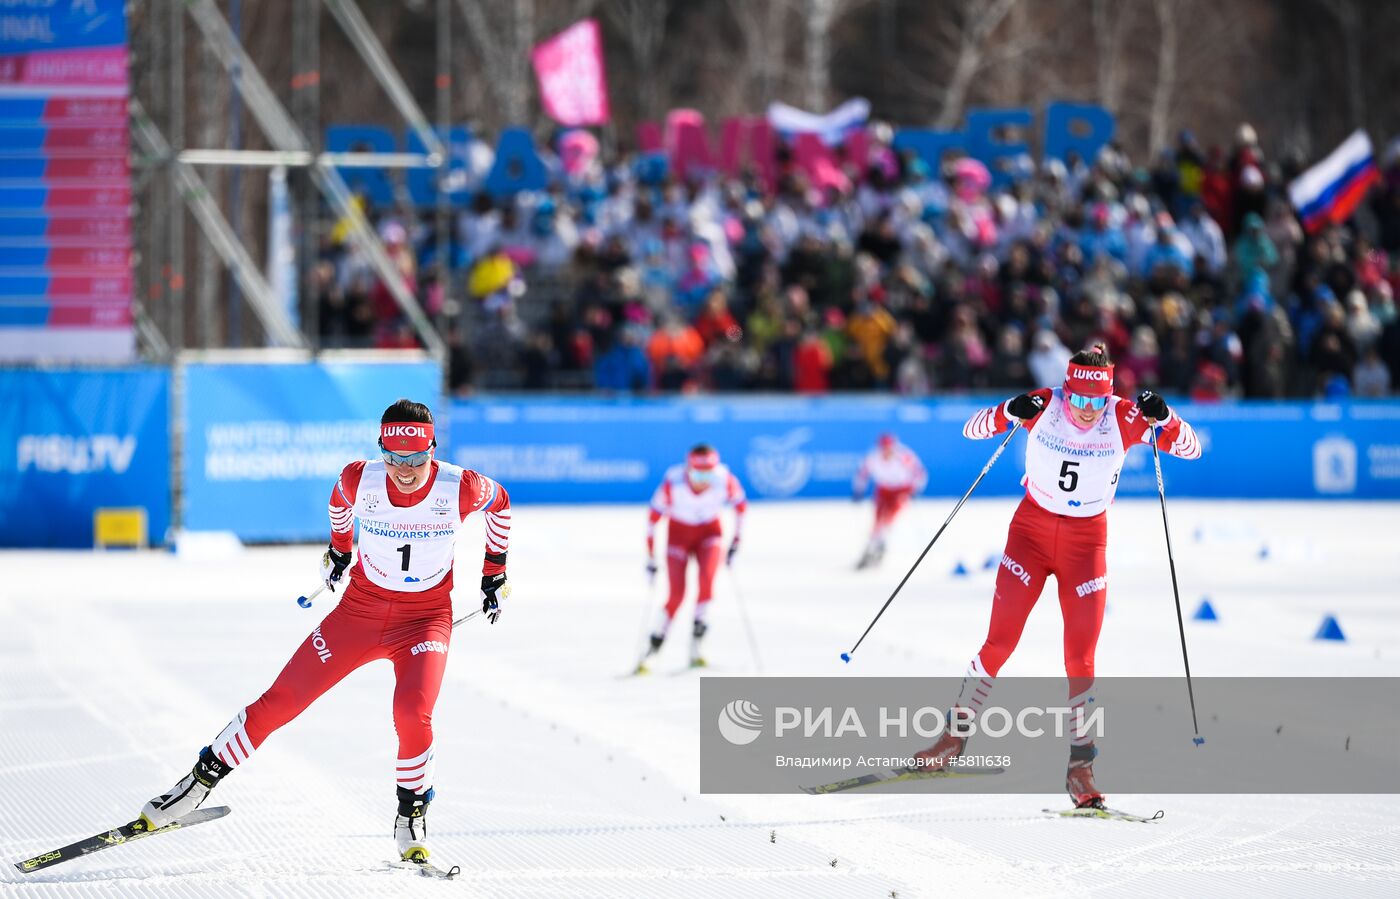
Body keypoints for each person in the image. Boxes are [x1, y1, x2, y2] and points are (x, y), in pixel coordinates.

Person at [136, 399, 513, 867]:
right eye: (395, 459)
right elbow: (338, 503)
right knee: (281, 701)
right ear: (382, 451)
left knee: (412, 712)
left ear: (432, 450)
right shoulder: (362, 478)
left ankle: (410, 816)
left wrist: (493, 572)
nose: (405, 471)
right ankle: (194, 785)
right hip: (360, 613)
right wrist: (339, 550)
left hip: (424, 619)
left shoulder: (461, 486)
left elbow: (502, 506)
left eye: (417, 459)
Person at [912, 344, 1202, 810]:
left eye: (1095, 402)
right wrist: (1009, 410)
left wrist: (1165, 417)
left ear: (1107, 397)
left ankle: (1080, 766)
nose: (1085, 411)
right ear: (1066, 391)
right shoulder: (1045, 404)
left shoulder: (1125, 417)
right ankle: (953, 738)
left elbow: (1191, 450)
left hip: (1085, 546)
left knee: (1080, 657)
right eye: (1077, 400)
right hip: (1029, 533)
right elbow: (972, 429)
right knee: (998, 643)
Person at [636, 444, 747, 673]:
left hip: (709, 532)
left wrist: (735, 543)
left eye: (708, 473)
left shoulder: (724, 478)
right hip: (679, 535)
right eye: (698, 473)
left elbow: (741, 508)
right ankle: (654, 647)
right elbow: (652, 520)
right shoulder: (673, 482)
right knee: (677, 593)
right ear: (688, 469)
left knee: (707, 583)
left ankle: (697, 647)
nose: (703, 480)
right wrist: (650, 557)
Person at [851, 432, 928, 569]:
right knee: (877, 520)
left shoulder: (904, 456)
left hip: (900, 490)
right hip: (884, 490)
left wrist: (915, 490)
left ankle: (881, 544)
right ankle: (871, 548)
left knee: (889, 519)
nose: (887, 452)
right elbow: (862, 474)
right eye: (884, 449)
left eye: (889, 448)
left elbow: (919, 473)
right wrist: (858, 491)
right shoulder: (873, 457)